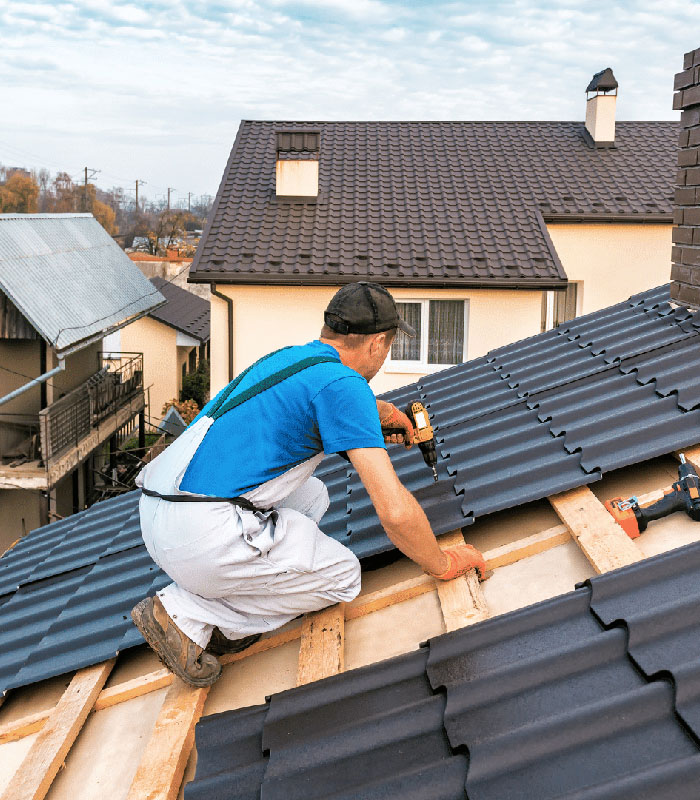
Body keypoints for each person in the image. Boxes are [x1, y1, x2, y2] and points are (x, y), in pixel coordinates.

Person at [131, 281, 486, 687]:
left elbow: (317, 403)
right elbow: (394, 510)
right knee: (342, 576)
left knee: (313, 495)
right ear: (376, 344)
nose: (385, 357)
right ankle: (186, 613)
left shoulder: (292, 360)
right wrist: (442, 563)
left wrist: (379, 413)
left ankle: (228, 609)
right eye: (388, 347)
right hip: (200, 535)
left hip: (161, 511)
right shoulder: (343, 386)